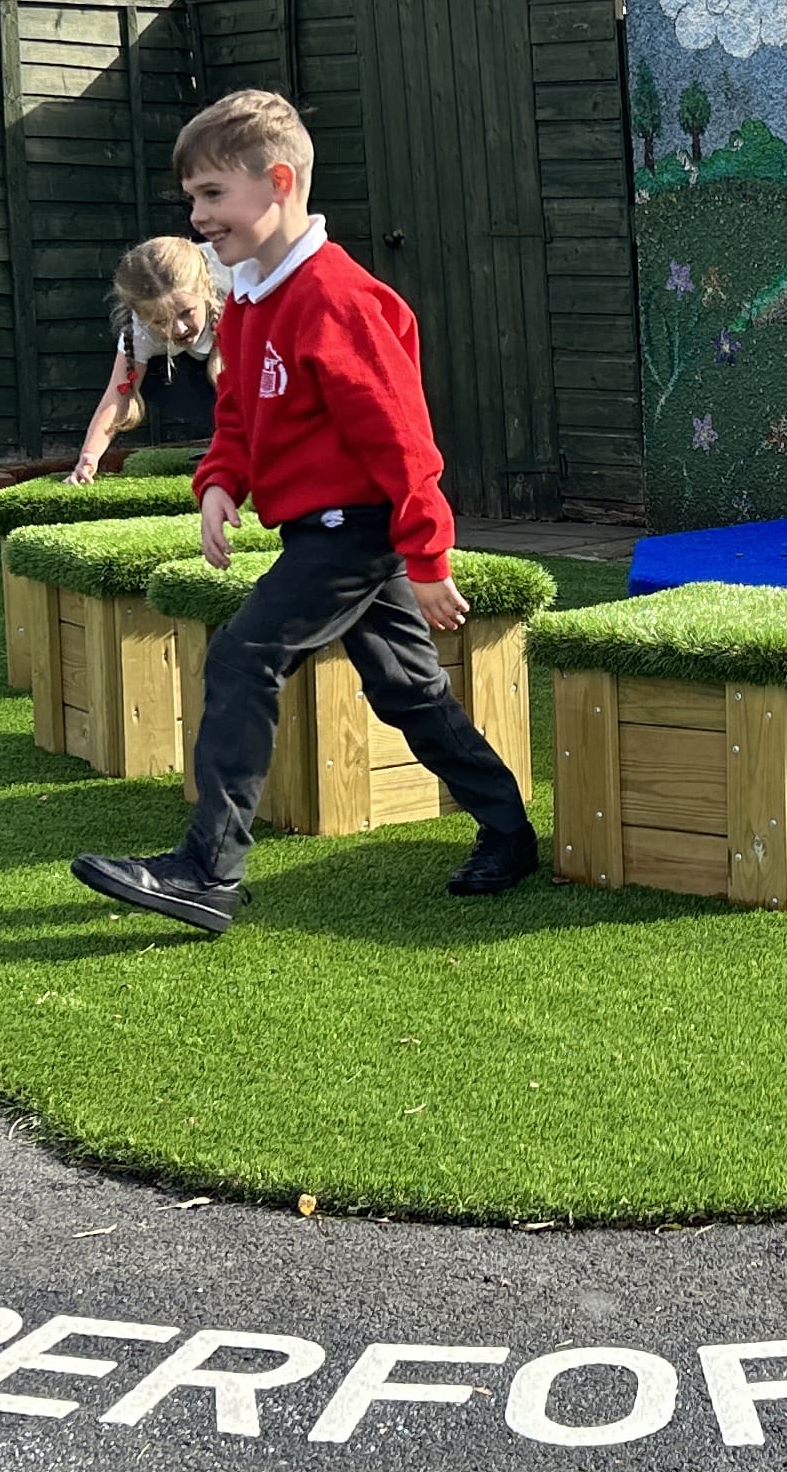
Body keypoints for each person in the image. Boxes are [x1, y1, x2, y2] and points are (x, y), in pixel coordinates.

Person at [69, 90, 541, 936]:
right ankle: (509, 831)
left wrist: (429, 561)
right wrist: (219, 482)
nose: (197, 216)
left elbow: (405, 443)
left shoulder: (338, 299)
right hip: (319, 528)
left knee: (242, 658)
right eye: (192, 199)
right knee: (410, 692)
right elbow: (243, 415)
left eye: (212, 195)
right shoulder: (249, 300)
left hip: (352, 531)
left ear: (277, 182)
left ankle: (208, 872)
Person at [62, 236, 221, 484]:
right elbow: (118, 395)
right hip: (193, 375)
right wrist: (89, 457)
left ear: (205, 288)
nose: (178, 329)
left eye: (186, 313)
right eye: (161, 322)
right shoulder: (140, 332)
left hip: (261, 358)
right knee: (142, 373)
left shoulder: (241, 277)